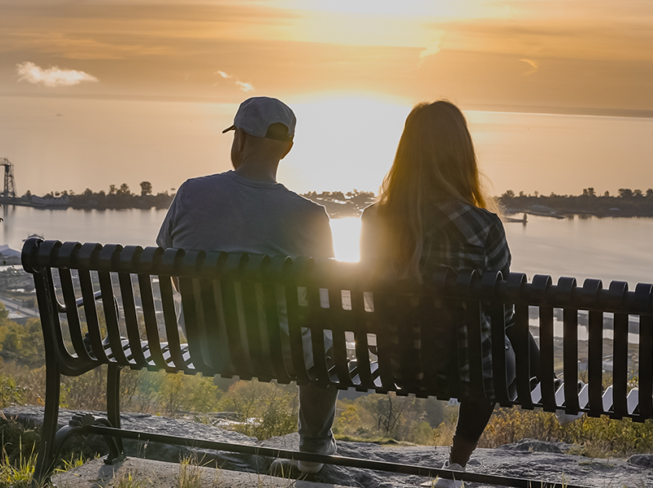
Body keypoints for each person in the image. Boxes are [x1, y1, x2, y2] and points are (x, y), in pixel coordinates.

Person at [156, 96, 338, 474]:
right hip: (283, 351)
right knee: (328, 344)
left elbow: (171, 269)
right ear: (287, 149)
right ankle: (313, 446)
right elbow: (323, 301)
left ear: (238, 138)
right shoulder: (311, 216)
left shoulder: (191, 193)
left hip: (206, 341)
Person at [360, 100, 537, 487]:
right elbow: (502, 310)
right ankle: (455, 467)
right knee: (514, 340)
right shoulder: (484, 227)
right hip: (471, 368)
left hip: (401, 362)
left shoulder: (374, 219)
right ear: (462, 155)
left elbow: (372, 293)